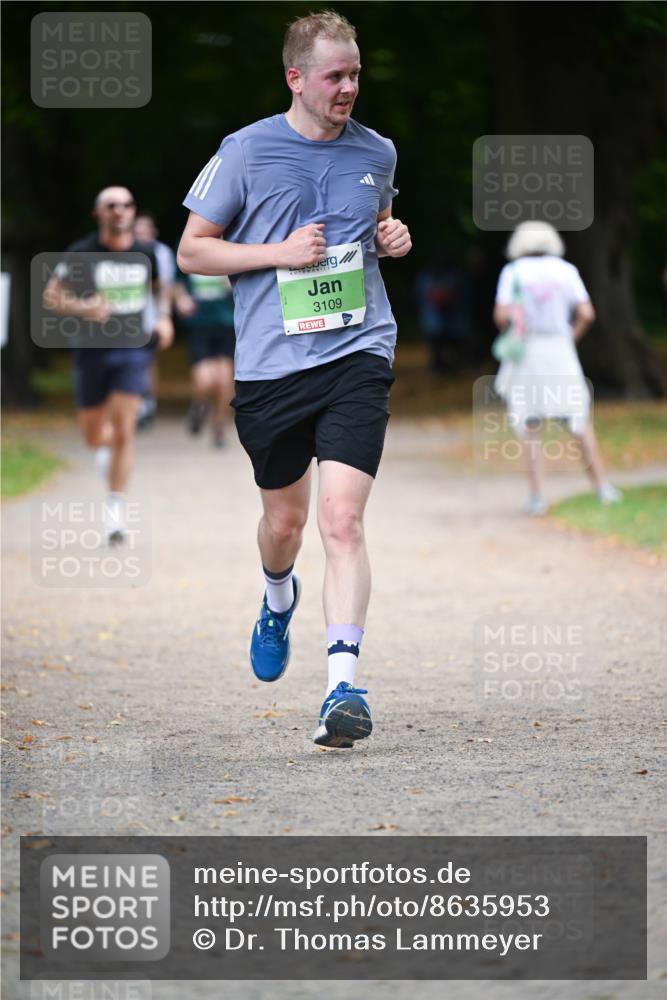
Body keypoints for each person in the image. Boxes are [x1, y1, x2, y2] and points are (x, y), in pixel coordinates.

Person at [177, 10, 411, 747]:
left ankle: (343, 687)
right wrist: (276, 253)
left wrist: (391, 235)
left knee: (341, 520)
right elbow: (192, 251)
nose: (348, 87)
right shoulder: (244, 151)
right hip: (274, 366)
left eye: (355, 74)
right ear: (296, 79)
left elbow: (378, 224)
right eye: (334, 75)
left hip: (357, 353)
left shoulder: (377, 151)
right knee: (285, 525)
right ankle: (276, 596)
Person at [44, 187, 173, 542]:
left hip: (133, 350)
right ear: (97, 213)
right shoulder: (81, 252)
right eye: (111, 205)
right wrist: (84, 308)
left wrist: (163, 318)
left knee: (125, 428)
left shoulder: (145, 253)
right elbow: (53, 296)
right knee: (92, 435)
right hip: (90, 351)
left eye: (127, 205)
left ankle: (115, 512)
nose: (120, 211)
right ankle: (107, 451)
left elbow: (160, 292)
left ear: (133, 212)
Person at [492, 220, 621, 516]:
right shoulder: (566, 271)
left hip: (528, 352)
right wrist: (570, 336)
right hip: (561, 350)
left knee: (529, 424)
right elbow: (587, 313)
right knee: (578, 420)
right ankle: (602, 487)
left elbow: (501, 316)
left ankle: (537, 496)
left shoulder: (513, 272)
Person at [173, 270, 236, 448]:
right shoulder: (189, 243)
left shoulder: (234, 243)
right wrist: (181, 298)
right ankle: (199, 405)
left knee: (224, 380)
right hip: (199, 323)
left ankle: (219, 426)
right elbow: (177, 282)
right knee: (205, 380)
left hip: (226, 322)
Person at [133, 212, 178, 429]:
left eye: (145, 229)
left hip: (148, 315)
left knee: (146, 360)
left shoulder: (160, 253)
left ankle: (148, 401)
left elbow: (164, 286)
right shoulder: (125, 249)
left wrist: (164, 317)